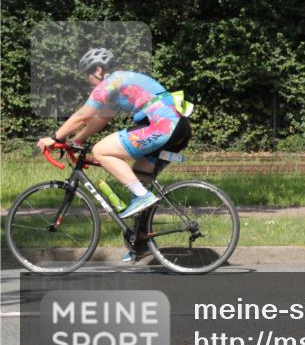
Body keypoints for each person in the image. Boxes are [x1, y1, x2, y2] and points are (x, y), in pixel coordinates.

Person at [36, 48, 192, 259]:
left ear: (98, 70)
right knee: (139, 178)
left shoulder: (110, 83)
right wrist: (76, 141)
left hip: (162, 125)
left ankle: (142, 196)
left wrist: (55, 138)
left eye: (87, 74)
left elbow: (83, 115)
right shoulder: (118, 87)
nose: (86, 80)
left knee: (101, 151)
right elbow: (100, 119)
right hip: (178, 128)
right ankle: (142, 242)